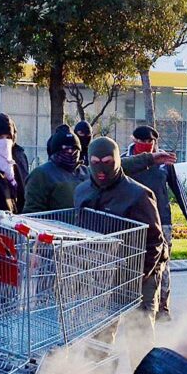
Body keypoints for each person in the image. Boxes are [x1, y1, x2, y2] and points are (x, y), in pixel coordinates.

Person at [75, 137, 167, 335]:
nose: (101, 169)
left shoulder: (139, 195)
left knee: (139, 335)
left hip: (142, 270)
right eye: (95, 163)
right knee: (100, 333)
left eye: (108, 162)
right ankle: (101, 366)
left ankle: (142, 366)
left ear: (117, 161)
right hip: (102, 273)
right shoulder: (82, 192)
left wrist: (140, 276)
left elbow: (155, 241)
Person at [123, 125, 187, 322]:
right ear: (134, 140)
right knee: (133, 264)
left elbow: (177, 187)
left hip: (161, 220)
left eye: (151, 143)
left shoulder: (163, 162)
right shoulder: (125, 161)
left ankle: (162, 308)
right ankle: (133, 306)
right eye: (142, 143)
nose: (147, 147)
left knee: (162, 264)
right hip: (132, 222)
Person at [24, 125, 84, 213]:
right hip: (53, 225)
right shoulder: (41, 174)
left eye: (74, 149)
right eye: (65, 149)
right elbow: (33, 211)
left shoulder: (87, 172)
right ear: (56, 150)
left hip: (86, 225)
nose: (70, 152)